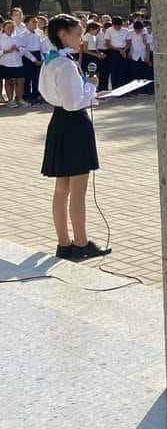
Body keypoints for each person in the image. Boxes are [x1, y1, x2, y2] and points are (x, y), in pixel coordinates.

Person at [39, 14, 110, 259]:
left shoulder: (51, 61)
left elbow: (53, 95)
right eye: (78, 34)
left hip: (59, 122)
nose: (81, 38)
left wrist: (89, 93)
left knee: (62, 188)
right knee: (77, 189)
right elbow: (73, 104)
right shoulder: (65, 64)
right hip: (74, 125)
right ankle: (80, 243)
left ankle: (64, 243)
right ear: (63, 34)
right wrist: (91, 86)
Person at [1, 19, 26, 106]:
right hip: (6, 63)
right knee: (8, 82)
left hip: (18, 63)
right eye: (8, 27)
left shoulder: (17, 37)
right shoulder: (1, 38)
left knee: (20, 81)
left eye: (12, 27)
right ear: (4, 28)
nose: (10, 29)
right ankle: (10, 100)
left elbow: (24, 49)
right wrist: (6, 51)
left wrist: (18, 49)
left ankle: (20, 99)